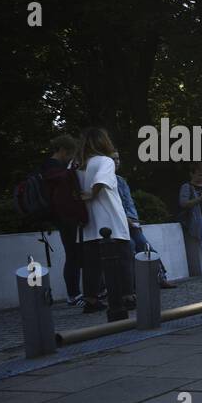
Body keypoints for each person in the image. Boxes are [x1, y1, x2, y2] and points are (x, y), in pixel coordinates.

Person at [73, 128, 132, 315]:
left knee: (91, 263)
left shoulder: (78, 165)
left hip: (88, 222)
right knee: (123, 257)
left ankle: (91, 299)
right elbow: (101, 181)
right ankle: (127, 297)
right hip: (111, 218)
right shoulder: (105, 161)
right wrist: (93, 193)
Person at [115, 154, 175, 288]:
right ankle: (133, 285)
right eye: (113, 159)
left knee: (145, 246)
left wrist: (134, 220)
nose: (116, 162)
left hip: (130, 222)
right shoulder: (106, 181)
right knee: (129, 249)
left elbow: (128, 202)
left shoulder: (121, 180)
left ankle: (161, 277)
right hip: (117, 224)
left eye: (118, 158)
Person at [40, 135, 84, 304]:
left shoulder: (51, 167)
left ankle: (74, 293)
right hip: (65, 216)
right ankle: (73, 294)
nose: (71, 157)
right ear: (64, 150)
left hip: (63, 216)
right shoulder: (52, 167)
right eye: (70, 153)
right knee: (73, 254)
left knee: (74, 254)